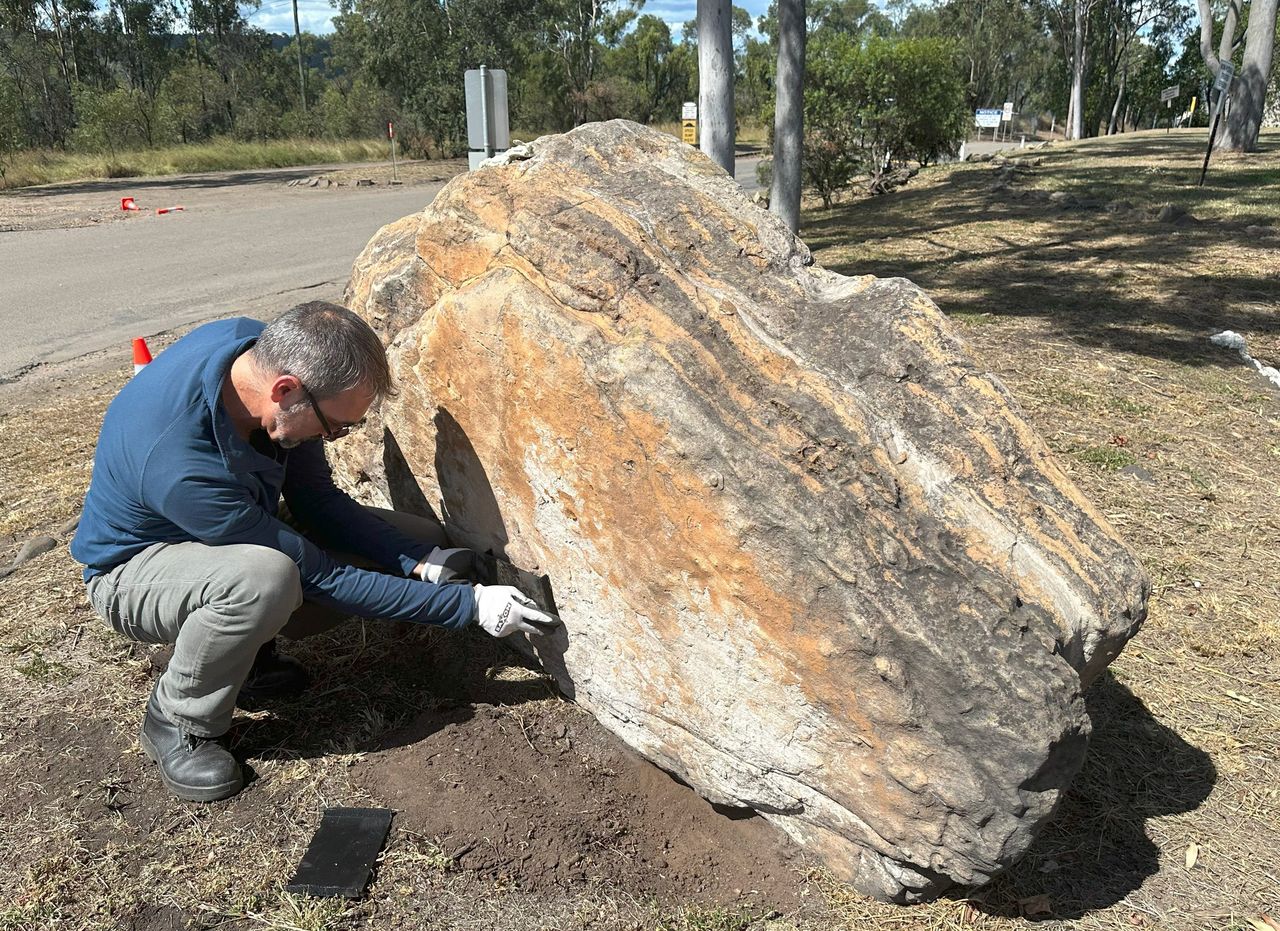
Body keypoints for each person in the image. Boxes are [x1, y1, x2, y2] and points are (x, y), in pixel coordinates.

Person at [71, 301, 559, 803]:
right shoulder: (179, 459)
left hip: (225, 534)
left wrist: (421, 561)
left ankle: (245, 654)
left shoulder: (259, 355)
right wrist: (470, 607)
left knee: (414, 533)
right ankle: (178, 719)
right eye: (334, 427)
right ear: (286, 391)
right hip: (134, 571)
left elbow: (317, 502)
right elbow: (320, 575)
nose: (333, 438)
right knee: (266, 580)